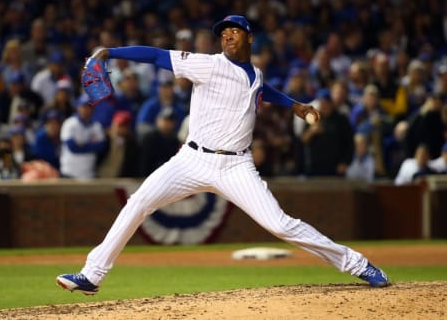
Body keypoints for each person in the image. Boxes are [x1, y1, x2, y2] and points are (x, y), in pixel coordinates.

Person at [56, 15, 389, 295]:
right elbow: (157, 56)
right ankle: (92, 275)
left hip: (236, 166)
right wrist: (110, 51)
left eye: (234, 32)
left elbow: (261, 89)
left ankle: (358, 264)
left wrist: (295, 106)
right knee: (138, 202)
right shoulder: (207, 65)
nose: (227, 37)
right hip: (192, 160)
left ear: (249, 38)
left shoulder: (255, 73)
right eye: (223, 33)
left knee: (281, 225)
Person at [59, 94, 106, 179]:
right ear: (78, 107)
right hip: (69, 173)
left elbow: (101, 147)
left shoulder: (96, 126)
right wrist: (91, 145)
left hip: (89, 174)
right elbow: (73, 147)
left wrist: (81, 145)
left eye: (88, 107)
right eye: (83, 106)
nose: (85, 110)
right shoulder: (69, 123)